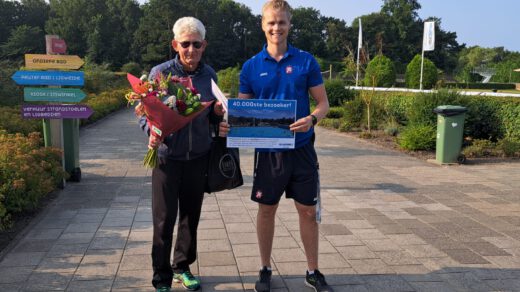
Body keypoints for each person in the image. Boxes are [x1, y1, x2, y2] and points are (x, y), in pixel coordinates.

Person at [218, 1, 332, 291]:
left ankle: (312, 270)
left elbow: (323, 103)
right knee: (267, 209)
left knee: (307, 211)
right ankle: (265, 268)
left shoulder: (306, 61)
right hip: (268, 153)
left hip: (303, 149)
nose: (276, 28)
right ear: (262, 25)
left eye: (281, 22)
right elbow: (243, 107)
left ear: (289, 24)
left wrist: (312, 119)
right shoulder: (251, 66)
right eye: (271, 22)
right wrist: (228, 118)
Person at [137, 17, 223, 292]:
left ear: (204, 45)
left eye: (197, 44)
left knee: (190, 217)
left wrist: (219, 117)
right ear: (175, 44)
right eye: (185, 44)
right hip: (166, 157)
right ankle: (161, 275)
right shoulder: (159, 73)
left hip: (198, 156)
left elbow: (211, 115)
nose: (191, 50)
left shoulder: (209, 75)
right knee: (163, 219)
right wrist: (150, 130)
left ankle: (182, 267)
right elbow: (145, 113)